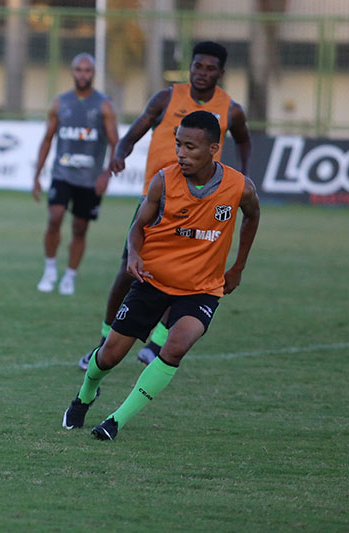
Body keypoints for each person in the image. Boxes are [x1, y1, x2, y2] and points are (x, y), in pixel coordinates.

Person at [62, 111, 260, 441]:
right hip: (153, 282)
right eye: (178, 145)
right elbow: (138, 228)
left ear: (214, 148)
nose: (181, 153)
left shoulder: (240, 187)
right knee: (109, 356)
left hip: (202, 290)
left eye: (190, 147)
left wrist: (238, 266)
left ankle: (114, 421)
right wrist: (135, 254)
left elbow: (253, 217)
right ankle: (85, 395)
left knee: (177, 346)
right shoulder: (164, 181)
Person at [78, 40, 251, 369]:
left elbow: (244, 139)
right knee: (128, 271)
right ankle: (105, 339)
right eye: (197, 66)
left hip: (202, 201)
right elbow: (135, 132)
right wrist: (119, 154)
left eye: (210, 68)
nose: (202, 73)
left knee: (187, 274)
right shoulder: (167, 98)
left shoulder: (231, 109)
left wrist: (243, 174)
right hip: (156, 197)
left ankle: (157, 343)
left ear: (221, 73)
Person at [32, 52, 118, 296]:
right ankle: (50, 270)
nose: (83, 75)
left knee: (80, 227)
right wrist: (37, 175)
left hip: (89, 180)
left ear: (93, 74)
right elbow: (47, 139)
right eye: (79, 70)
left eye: (87, 70)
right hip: (62, 174)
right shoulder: (60, 103)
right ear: (72, 72)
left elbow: (115, 142)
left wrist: (106, 175)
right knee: (55, 217)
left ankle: (69, 275)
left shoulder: (103, 105)